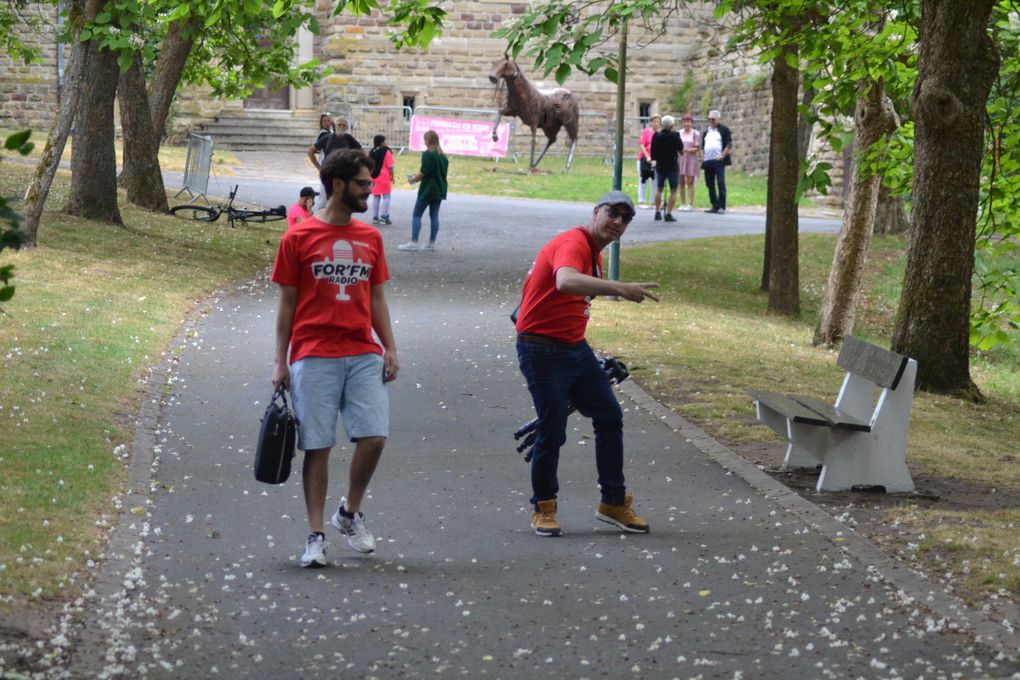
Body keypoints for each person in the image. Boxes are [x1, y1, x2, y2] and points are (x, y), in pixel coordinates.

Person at [271, 149, 400, 568]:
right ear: (339, 185)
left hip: (363, 350)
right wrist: (280, 361)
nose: (370, 190)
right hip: (313, 353)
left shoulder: (371, 238)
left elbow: (376, 296)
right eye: (363, 184)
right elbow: (286, 305)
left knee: (374, 436)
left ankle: (348, 513)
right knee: (318, 446)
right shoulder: (298, 238)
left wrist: (391, 347)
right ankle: (315, 536)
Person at [515, 190, 659, 537]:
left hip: (574, 349)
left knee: (610, 417)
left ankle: (612, 503)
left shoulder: (591, 251)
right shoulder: (575, 242)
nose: (619, 223)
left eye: (626, 219)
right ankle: (544, 507)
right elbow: (565, 281)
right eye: (614, 213)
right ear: (596, 211)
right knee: (552, 429)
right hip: (542, 351)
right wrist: (618, 288)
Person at [398, 130, 449, 253]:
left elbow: (424, 171)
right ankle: (431, 243)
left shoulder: (427, 154)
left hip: (428, 189)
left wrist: (413, 179)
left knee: (417, 214)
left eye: (425, 139)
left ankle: (414, 242)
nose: (424, 141)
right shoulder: (443, 157)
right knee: (434, 215)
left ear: (429, 140)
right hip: (440, 188)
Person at [650, 114, 683, 222]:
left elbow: (653, 152)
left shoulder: (656, 136)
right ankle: (668, 213)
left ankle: (657, 212)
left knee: (659, 189)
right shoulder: (675, 135)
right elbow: (681, 150)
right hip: (672, 165)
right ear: (672, 125)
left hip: (661, 165)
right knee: (673, 190)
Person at [701, 109, 733, 214]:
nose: (711, 121)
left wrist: (723, 155)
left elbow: (729, 144)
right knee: (709, 184)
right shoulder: (706, 131)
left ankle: (721, 206)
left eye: (713, 119)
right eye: (709, 119)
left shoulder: (724, 130)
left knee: (720, 183)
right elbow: (702, 146)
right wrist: (703, 157)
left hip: (718, 160)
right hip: (707, 160)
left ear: (718, 119)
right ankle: (714, 205)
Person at [368, 135, 395, 225]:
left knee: (376, 197)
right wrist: (392, 176)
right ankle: (384, 215)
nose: (385, 143)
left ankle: (375, 217)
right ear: (381, 142)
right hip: (384, 176)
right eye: (384, 141)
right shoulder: (386, 151)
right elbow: (390, 166)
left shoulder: (372, 151)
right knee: (386, 196)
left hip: (374, 177)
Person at [678, 114, 702, 211]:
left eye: (688, 121)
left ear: (691, 123)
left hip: (691, 159)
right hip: (680, 159)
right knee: (681, 181)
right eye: (685, 121)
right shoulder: (679, 133)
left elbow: (697, 147)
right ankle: (682, 203)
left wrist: (687, 150)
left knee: (690, 181)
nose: (687, 123)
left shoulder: (695, 133)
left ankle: (690, 203)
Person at [636, 114, 661, 209]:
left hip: (655, 160)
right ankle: (641, 201)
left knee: (655, 181)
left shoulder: (659, 134)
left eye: (658, 122)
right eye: (654, 121)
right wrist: (647, 157)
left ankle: (653, 202)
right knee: (643, 180)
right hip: (644, 160)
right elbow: (642, 145)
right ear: (651, 122)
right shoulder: (646, 132)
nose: (656, 123)